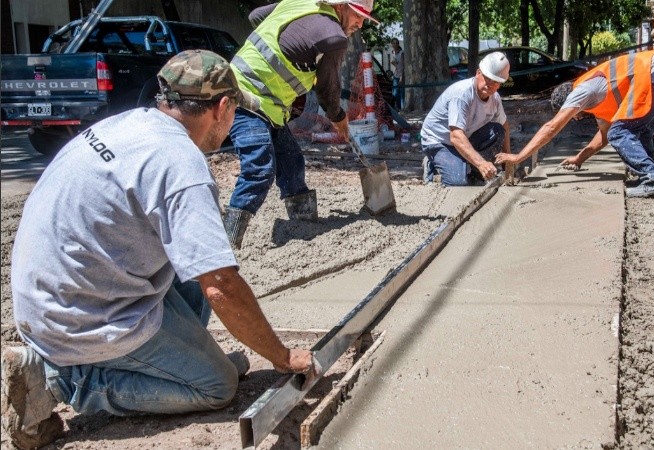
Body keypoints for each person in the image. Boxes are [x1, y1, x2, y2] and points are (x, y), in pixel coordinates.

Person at [1, 50, 319, 450]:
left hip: (55, 291)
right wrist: (282, 355)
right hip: (76, 320)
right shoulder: (181, 164)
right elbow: (220, 283)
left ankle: (178, 359)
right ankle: (56, 380)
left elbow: (204, 264)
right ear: (222, 108)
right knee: (216, 386)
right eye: (236, 110)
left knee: (192, 263)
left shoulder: (126, 124)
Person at [222, 0, 379, 249]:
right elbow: (328, 91)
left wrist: (291, 47)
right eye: (357, 15)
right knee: (259, 170)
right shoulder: (334, 38)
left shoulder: (299, 3)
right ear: (340, 6)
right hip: (245, 96)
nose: (360, 24)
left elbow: (255, 16)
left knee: (293, 163)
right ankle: (226, 243)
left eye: (364, 18)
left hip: (270, 104)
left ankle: (304, 225)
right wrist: (339, 117)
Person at [495, 49, 654, 198]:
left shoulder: (582, 91)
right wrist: (580, 158)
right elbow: (604, 134)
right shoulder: (598, 97)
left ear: (571, 105)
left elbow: (551, 127)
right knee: (637, 125)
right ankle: (650, 169)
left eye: (573, 115)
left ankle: (653, 177)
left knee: (620, 132)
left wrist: (518, 156)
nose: (576, 118)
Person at [420, 51, 512, 186]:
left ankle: (475, 172)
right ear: (478, 73)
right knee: (458, 182)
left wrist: (507, 161)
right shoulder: (462, 95)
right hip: (439, 141)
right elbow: (456, 136)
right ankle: (432, 164)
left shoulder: (495, 99)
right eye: (488, 78)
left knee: (497, 131)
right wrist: (481, 163)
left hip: (464, 137)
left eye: (496, 82)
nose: (491, 84)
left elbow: (505, 127)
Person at [389, 37, 404, 109]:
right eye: (394, 43)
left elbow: (402, 66)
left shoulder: (402, 53)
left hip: (401, 75)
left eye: (396, 43)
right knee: (395, 93)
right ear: (391, 44)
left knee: (401, 93)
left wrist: (402, 77)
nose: (395, 45)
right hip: (395, 75)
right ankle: (398, 108)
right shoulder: (392, 53)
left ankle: (402, 108)